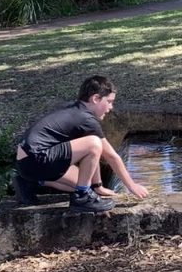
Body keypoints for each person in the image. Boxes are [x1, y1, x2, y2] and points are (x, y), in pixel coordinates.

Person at [13, 75, 149, 212]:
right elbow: (111, 156)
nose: (111, 107)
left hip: (26, 164)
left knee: (83, 182)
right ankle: (82, 198)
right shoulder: (86, 120)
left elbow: (92, 157)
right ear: (95, 99)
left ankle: (30, 183)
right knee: (94, 143)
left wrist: (98, 186)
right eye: (109, 101)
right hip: (37, 159)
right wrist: (132, 185)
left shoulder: (74, 110)